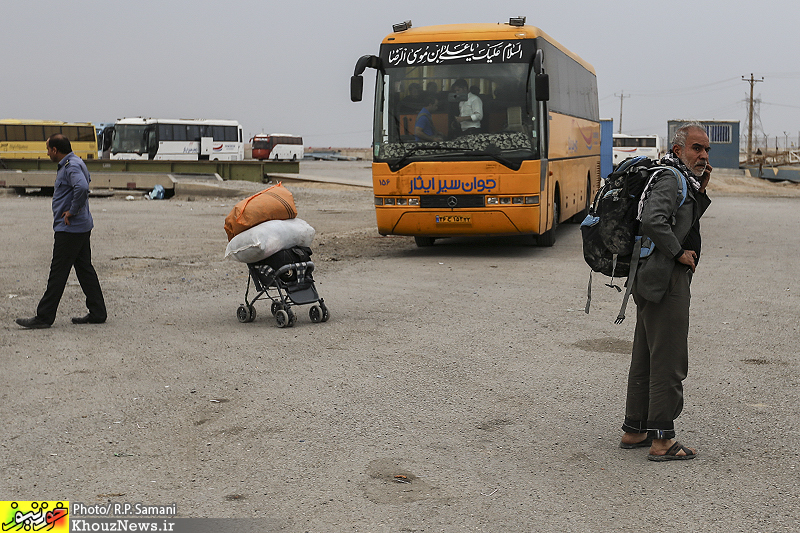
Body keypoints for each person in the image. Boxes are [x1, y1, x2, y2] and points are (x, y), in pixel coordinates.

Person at [618, 122, 712, 461]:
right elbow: (654, 220)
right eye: (696, 148)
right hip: (665, 278)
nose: (703, 155)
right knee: (669, 359)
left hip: (650, 279)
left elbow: (677, 218)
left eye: (706, 150)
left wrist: (701, 187)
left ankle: (636, 429)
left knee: (645, 357)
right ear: (678, 149)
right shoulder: (671, 178)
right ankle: (662, 440)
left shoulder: (678, 178)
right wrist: (678, 253)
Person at [16, 134, 107, 329]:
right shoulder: (76, 161)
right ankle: (98, 312)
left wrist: (71, 211)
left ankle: (44, 317)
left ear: (56, 150)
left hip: (70, 229)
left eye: (48, 149)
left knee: (58, 272)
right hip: (80, 227)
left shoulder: (70, 166)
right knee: (84, 269)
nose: (47, 153)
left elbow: (82, 187)